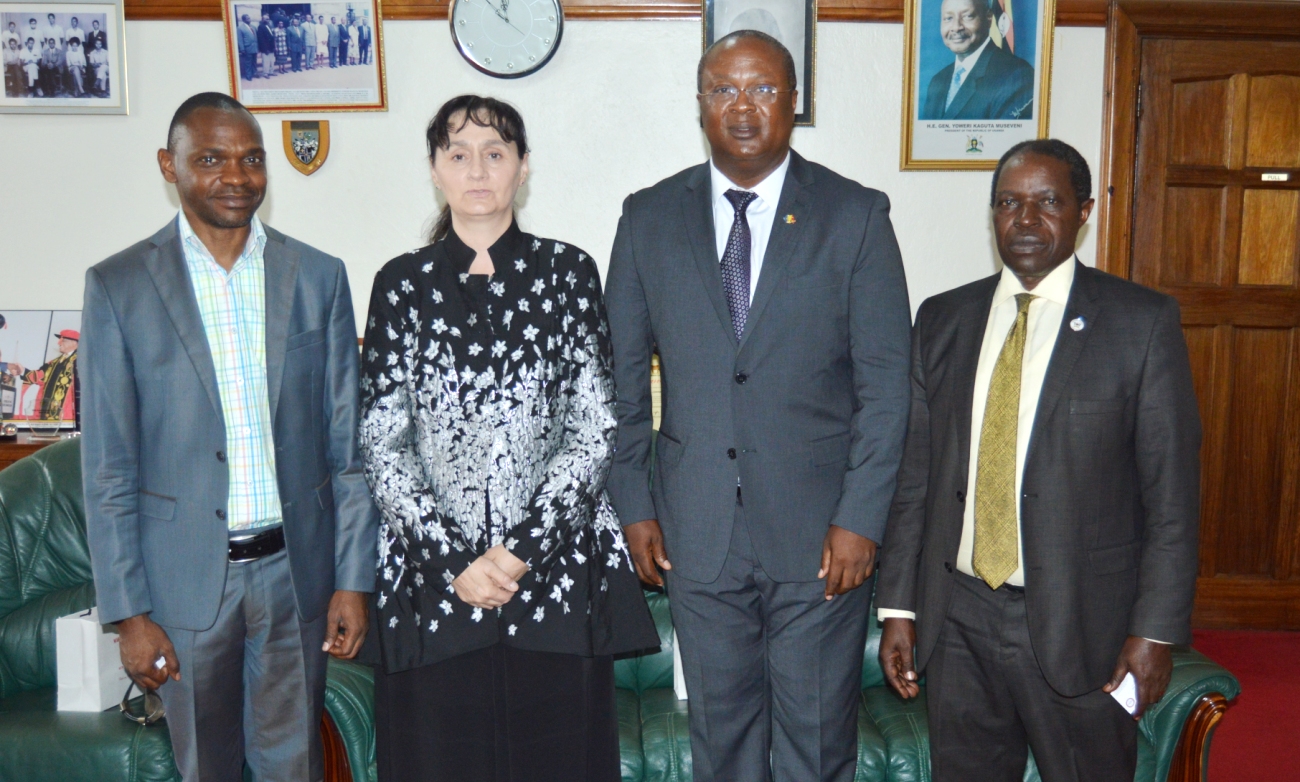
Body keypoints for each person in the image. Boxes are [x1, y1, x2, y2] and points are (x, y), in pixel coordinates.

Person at [605, 30, 912, 782]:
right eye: (724, 89)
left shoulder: (855, 216)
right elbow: (616, 383)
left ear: (794, 103)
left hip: (821, 539)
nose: (743, 107)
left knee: (814, 744)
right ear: (701, 104)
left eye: (765, 89)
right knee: (723, 745)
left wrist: (860, 520)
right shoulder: (647, 218)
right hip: (694, 531)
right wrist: (634, 507)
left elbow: (887, 385)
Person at [875, 139, 1202, 782]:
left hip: (1084, 624)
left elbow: (1173, 499)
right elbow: (915, 479)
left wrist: (1156, 631)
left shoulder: (1141, 323)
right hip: (959, 617)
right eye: (1008, 203)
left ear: (1084, 212)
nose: (1025, 221)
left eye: (1047, 202)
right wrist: (899, 609)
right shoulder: (942, 319)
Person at [359, 94, 658, 782]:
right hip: (433, 588)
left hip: (553, 584)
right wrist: (455, 561)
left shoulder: (568, 273)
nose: (478, 170)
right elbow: (382, 443)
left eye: (495, 153)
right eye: (458, 154)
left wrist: (518, 553)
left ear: (523, 167)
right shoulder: (400, 286)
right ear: (435, 170)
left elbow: (592, 431)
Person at [80, 92, 378, 781]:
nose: (235, 177)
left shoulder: (318, 278)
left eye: (250, 159)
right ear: (170, 165)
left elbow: (348, 450)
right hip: (181, 589)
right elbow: (108, 468)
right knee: (204, 768)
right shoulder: (119, 287)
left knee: (294, 765)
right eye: (210, 159)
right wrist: (129, 616)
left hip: (293, 578)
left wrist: (352, 580)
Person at [920, 0, 1034, 120]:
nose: (956, 27)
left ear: (989, 18)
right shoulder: (938, 81)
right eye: (948, 18)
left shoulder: (1017, 76)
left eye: (967, 16)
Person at [8, 329, 78, 420]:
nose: (59, 343)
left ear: (75, 344)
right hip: (46, 411)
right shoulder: (53, 363)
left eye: (63, 340)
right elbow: (40, 375)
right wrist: (22, 371)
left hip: (67, 414)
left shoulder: (80, 362)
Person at [236, 13, 258, 81]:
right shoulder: (240, 28)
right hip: (247, 48)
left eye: (249, 18)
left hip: (254, 47)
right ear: (244, 20)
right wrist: (242, 49)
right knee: (248, 63)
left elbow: (256, 37)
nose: (249, 19)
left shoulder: (253, 27)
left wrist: (258, 47)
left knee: (254, 62)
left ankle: (254, 73)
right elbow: (240, 39)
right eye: (248, 18)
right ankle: (248, 75)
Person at [257, 12, 275, 78]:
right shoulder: (260, 27)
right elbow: (261, 39)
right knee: (266, 61)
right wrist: (265, 49)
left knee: (271, 60)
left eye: (268, 19)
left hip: (271, 47)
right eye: (266, 19)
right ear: (262, 19)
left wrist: (273, 46)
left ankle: (271, 72)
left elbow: (271, 36)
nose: (268, 20)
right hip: (266, 48)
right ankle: (265, 73)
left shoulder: (269, 26)